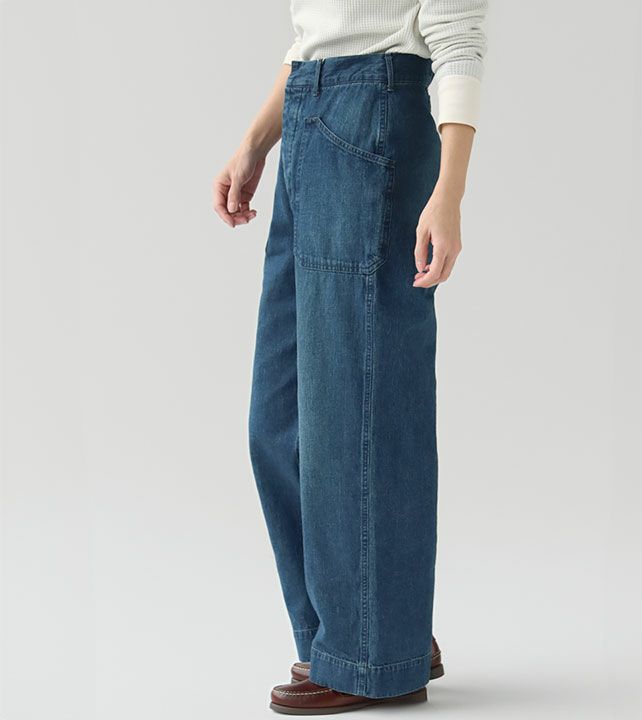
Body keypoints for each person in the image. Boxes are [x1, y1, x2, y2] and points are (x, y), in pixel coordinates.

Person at [213, 1, 487, 714]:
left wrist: (449, 192)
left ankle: (373, 651)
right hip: (308, 119)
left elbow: (458, 40)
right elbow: (315, 35)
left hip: (374, 120)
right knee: (279, 421)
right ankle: (376, 632)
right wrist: (257, 140)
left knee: (356, 416)